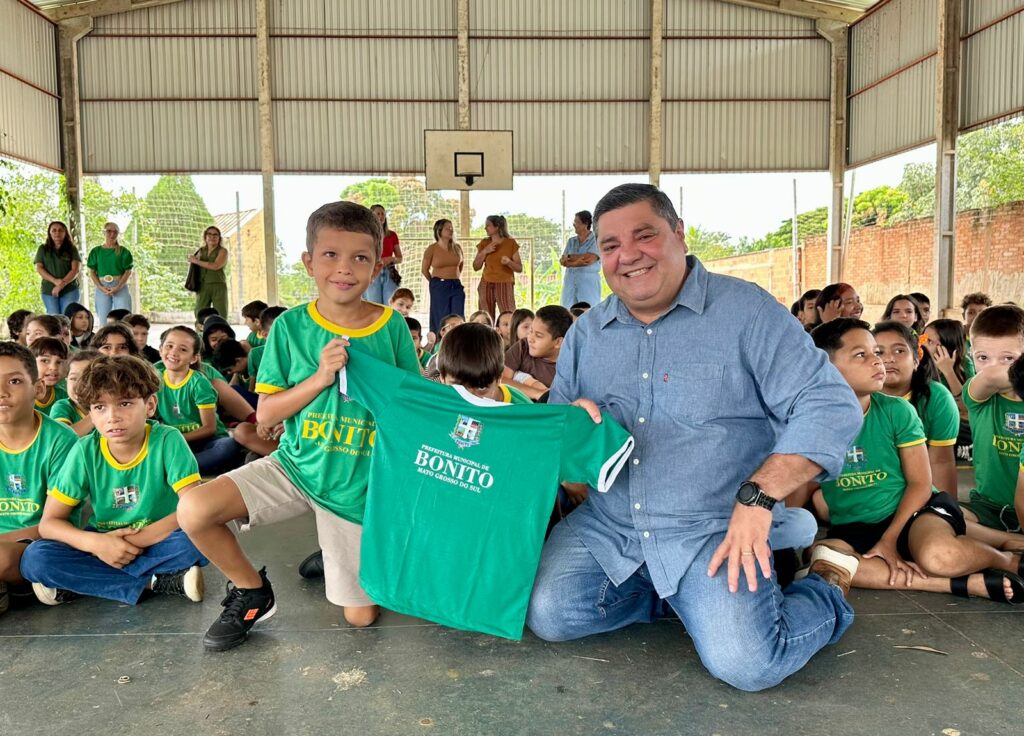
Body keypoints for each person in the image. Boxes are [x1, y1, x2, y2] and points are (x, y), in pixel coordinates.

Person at [525, 183, 864, 692]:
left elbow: (829, 403)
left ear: (679, 233)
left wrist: (760, 495)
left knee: (748, 665)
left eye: (645, 236)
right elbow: (559, 435)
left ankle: (826, 586)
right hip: (612, 524)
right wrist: (571, 423)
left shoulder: (746, 312)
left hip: (715, 527)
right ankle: (678, 595)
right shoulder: (587, 333)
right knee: (550, 615)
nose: (628, 256)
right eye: (611, 245)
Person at [176, 200, 421, 652]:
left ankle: (338, 550)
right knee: (193, 510)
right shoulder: (289, 327)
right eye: (330, 255)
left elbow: (413, 410)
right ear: (308, 261)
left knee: (361, 617)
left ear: (377, 264)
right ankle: (252, 592)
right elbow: (266, 415)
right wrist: (319, 378)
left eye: (360, 258)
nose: (344, 269)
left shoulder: (392, 328)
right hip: (295, 467)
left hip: (359, 487)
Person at [805, 319, 1023, 604]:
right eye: (863, 354)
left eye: (877, 352)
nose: (878, 361)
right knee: (821, 558)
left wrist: (890, 538)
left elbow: (921, 484)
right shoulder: (810, 421)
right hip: (854, 524)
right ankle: (959, 584)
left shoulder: (898, 410)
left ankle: (1007, 560)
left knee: (940, 556)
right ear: (826, 367)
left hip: (915, 511)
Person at [20, 355, 207, 607]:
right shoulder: (85, 450)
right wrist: (98, 544)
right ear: (90, 413)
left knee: (195, 541)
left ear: (150, 405)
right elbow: (49, 524)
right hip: (101, 539)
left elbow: (194, 509)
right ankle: (156, 582)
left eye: (125, 403)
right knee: (35, 558)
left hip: (159, 536)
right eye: (99, 407)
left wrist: (130, 543)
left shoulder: (167, 440)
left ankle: (85, 583)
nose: (112, 417)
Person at [0, 341, 80, 616]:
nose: (1, 393)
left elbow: (55, 523)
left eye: (14, 381)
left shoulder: (60, 440)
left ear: (38, 388)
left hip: (37, 542)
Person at [873, 321, 958, 497]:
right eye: (879, 352)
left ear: (916, 360)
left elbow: (941, 462)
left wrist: (947, 512)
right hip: (872, 489)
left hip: (920, 488)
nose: (889, 359)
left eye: (899, 351)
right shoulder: (858, 397)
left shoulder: (937, 398)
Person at [961, 305, 1024, 533]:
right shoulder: (978, 393)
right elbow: (989, 377)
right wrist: (1016, 369)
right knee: (938, 519)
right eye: (983, 357)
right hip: (988, 507)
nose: (992, 366)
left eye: (1007, 357)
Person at [502, 304, 572, 401]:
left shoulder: (570, 367)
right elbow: (500, 380)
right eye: (530, 331)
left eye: (538, 335)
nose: (530, 338)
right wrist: (537, 392)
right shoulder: (523, 347)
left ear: (558, 342)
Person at [473, 215, 521, 322]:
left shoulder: (510, 243)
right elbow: (476, 267)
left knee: (508, 315)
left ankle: (510, 337)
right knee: (485, 317)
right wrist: (485, 251)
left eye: (488, 225)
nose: (485, 228)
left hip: (504, 283)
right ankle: (486, 337)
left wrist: (509, 262)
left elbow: (519, 268)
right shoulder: (484, 243)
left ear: (497, 227)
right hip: (486, 283)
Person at [422, 218, 465, 335]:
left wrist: (454, 278)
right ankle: (438, 343)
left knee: (458, 314)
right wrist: (435, 282)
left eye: (451, 228)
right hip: (439, 285)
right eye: (447, 228)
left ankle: (458, 342)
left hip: (456, 284)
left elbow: (461, 266)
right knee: (440, 316)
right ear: (439, 231)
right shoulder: (432, 248)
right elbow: (424, 270)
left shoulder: (457, 248)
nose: (450, 230)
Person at [87, 222, 134, 324]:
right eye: (109, 231)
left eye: (115, 232)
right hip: (102, 286)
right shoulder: (96, 251)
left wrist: (118, 287)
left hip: (119, 285)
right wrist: (100, 287)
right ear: (103, 233)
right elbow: (92, 272)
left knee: (124, 318)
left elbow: (128, 271)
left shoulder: (123, 251)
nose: (112, 234)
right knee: (104, 319)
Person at [35, 221, 82, 315]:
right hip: (49, 290)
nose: (57, 233)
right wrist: (55, 281)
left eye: (60, 230)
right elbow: (39, 268)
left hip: (70, 289)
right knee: (54, 318)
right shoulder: (43, 249)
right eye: (54, 230)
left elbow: (75, 269)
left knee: (68, 317)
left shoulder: (72, 249)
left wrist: (61, 284)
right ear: (50, 233)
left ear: (65, 233)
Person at [50, 349, 100, 437]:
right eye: (73, 378)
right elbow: (63, 438)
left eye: (87, 378)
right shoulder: (63, 406)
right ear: (66, 381)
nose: (79, 385)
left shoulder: (112, 408)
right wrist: (97, 413)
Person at [560, 210, 601, 309]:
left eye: (576, 222)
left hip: (588, 284)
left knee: (588, 312)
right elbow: (562, 260)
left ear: (585, 224)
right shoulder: (571, 241)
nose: (574, 224)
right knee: (568, 312)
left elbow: (589, 259)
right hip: (570, 283)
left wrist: (569, 259)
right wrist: (576, 261)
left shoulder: (595, 239)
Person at [362, 204, 403, 304]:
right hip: (372, 272)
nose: (381, 216)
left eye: (383, 214)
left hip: (389, 273)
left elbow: (400, 258)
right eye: (378, 214)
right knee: (373, 305)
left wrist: (391, 258)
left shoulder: (392, 235)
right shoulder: (365, 235)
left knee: (391, 305)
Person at [189, 226, 229, 320]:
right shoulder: (201, 251)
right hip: (203, 285)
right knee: (199, 311)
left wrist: (196, 261)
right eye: (209, 234)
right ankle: (200, 333)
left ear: (219, 238)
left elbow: (216, 266)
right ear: (205, 237)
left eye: (215, 234)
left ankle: (222, 332)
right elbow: (194, 266)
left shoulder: (222, 251)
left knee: (221, 312)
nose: (212, 237)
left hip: (218, 284)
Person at [29, 337, 68, 416]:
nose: (53, 367)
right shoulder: (22, 395)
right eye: (45, 361)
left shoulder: (64, 396)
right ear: (30, 363)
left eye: (59, 362)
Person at [961, 292, 993, 379]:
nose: (977, 317)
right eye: (971, 312)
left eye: (982, 313)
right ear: (964, 315)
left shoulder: (994, 339)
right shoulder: (956, 336)